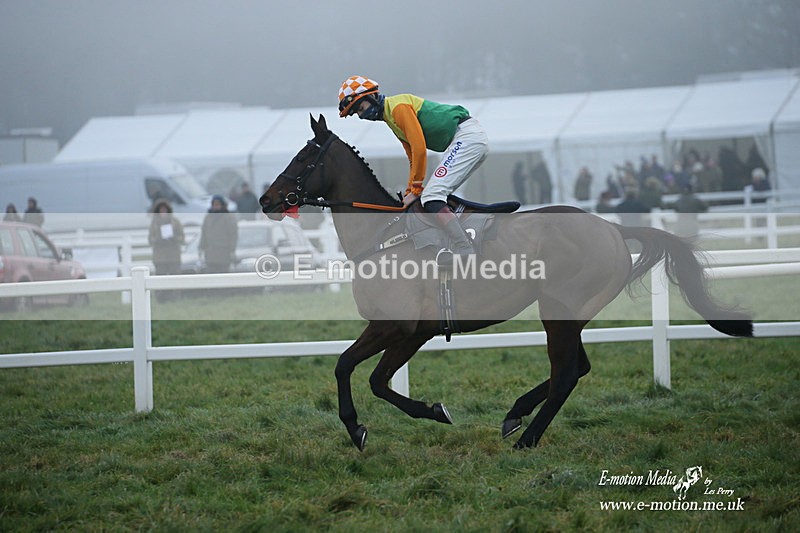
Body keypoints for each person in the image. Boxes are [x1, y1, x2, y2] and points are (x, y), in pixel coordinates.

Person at [338, 75, 488, 256]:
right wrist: (411, 190)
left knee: (432, 196)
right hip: (465, 139)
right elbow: (411, 157)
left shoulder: (398, 108)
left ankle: (464, 246)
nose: (362, 116)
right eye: (357, 114)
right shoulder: (390, 118)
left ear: (371, 97)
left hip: (466, 137)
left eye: (361, 108)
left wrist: (416, 188)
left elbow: (419, 148)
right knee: (434, 195)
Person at [148, 199, 185, 302]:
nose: (163, 212)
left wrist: (174, 239)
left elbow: (182, 238)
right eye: (161, 210)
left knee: (175, 278)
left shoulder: (175, 222)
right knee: (160, 278)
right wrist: (158, 240)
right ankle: (161, 299)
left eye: (165, 210)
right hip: (160, 257)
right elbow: (150, 239)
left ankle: (175, 298)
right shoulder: (154, 224)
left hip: (174, 256)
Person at [199, 195, 238, 274]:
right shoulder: (208, 217)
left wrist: (232, 250)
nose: (215, 206)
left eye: (217, 204)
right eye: (214, 204)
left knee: (223, 276)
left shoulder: (228, 217)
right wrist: (201, 247)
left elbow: (233, 235)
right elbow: (204, 233)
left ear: (222, 205)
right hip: (210, 254)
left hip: (223, 253)